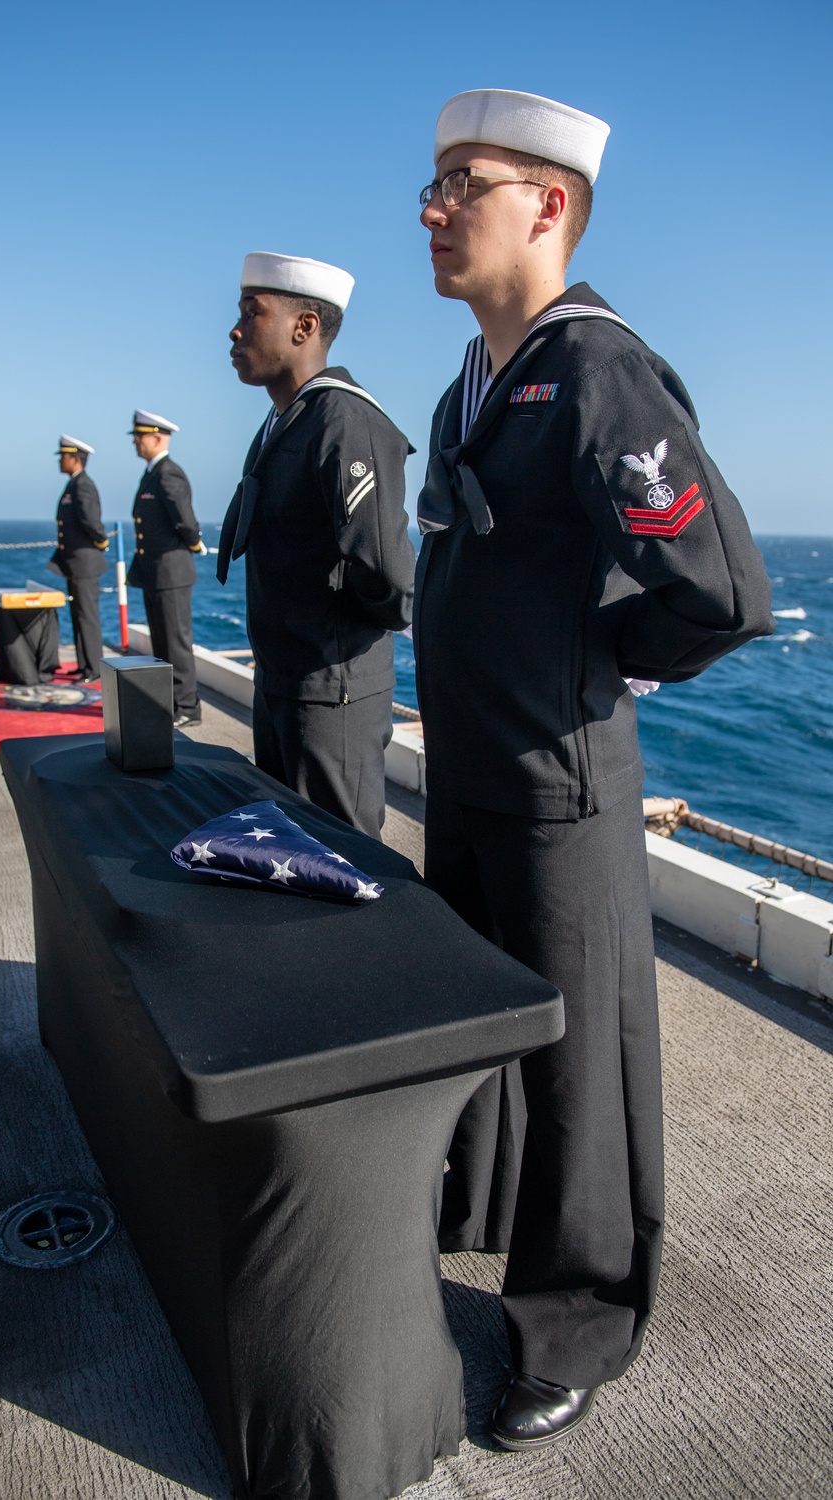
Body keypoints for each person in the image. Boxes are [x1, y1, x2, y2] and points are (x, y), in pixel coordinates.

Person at [413, 89, 775, 1449]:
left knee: (581, 1066)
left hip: (560, 781)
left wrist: (600, 659)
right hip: (470, 767)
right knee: (481, 1024)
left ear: (549, 206)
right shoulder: (479, 376)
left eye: (467, 182)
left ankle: (578, 1320)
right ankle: (477, 1217)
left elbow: (722, 589)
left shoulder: (597, 368)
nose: (435, 206)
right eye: (434, 183)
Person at [217, 252, 416, 838]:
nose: (234, 329)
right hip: (283, 679)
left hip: (331, 696)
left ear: (304, 327)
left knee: (341, 864)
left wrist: (335, 639)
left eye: (253, 314)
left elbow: (389, 578)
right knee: (288, 858)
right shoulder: (285, 421)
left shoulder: (343, 421)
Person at [126, 409, 205, 727]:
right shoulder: (151, 473)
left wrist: (195, 541)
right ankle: (170, 703)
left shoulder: (167, 473)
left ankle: (187, 706)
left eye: (139, 436)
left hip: (171, 571)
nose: (134, 442)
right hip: (154, 571)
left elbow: (185, 520)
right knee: (161, 642)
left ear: (158, 438)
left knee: (175, 641)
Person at [49, 434, 108, 683]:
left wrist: (101, 541)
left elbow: (91, 522)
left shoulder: (83, 485)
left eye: (63, 456)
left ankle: (93, 668)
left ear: (75, 458)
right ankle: (84, 664)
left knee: (87, 617)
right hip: (74, 563)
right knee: (78, 615)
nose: (59, 461)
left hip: (85, 563)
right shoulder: (73, 484)